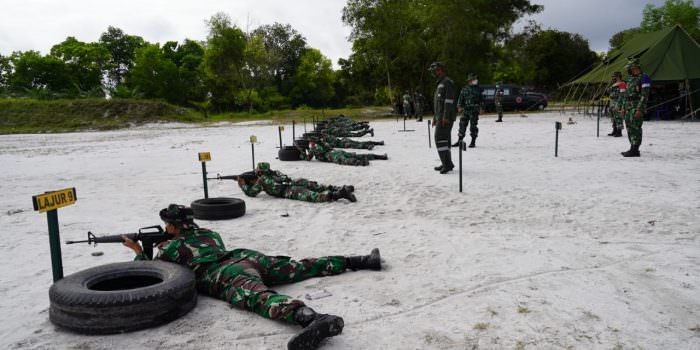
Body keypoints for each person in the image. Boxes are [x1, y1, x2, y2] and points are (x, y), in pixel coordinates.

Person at [122, 204, 382, 350]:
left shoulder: (168, 248)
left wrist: (138, 251)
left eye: (168, 225)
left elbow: (156, 275)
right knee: (301, 266)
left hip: (224, 273)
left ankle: (312, 318)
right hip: (248, 258)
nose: (165, 228)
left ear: (173, 226)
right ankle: (360, 260)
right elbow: (195, 243)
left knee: (259, 297)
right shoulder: (210, 233)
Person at [237, 162, 356, 202]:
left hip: (289, 191)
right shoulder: (275, 172)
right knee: (316, 186)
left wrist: (242, 184)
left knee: (314, 196)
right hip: (295, 181)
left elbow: (251, 193)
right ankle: (338, 188)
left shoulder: (262, 180)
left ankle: (340, 194)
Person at [429, 62, 457, 174]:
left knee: (439, 139)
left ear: (439, 70)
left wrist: (445, 116)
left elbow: (448, 101)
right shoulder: (440, 83)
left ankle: (446, 164)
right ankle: (447, 163)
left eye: (434, 71)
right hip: (440, 117)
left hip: (446, 117)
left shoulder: (447, 82)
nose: (433, 73)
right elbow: (438, 103)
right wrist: (435, 117)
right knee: (445, 140)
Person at [621, 58, 651, 157]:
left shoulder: (644, 77)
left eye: (630, 68)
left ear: (635, 67)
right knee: (629, 127)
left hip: (636, 106)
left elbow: (644, 95)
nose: (629, 70)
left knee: (636, 127)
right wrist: (623, 108)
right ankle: (632, 147)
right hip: (628, 107)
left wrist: (640, 109)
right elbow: (626, 94)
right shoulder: (630, 79)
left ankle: (635, 149)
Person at [301, 139, 388, 166]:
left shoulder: (313, 149)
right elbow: (329, 147)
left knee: (346, 160)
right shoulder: (322, 144)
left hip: (331, 156)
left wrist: (302, 153)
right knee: (357, 155)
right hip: (337, 152)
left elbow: (308, 158)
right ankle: (380, 157)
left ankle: (362, 163)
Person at [454, 73, 482, 148]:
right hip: (465, 110)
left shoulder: (478, 89)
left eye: (476, 79)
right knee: (462, 125)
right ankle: (459, 140)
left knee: (473, 126)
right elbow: (460, 99)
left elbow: (482, 99)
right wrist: (459, 106)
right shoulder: (464, 89)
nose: (476, 81)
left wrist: (482, 108)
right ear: (470, 81)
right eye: (474, 79)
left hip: (474, 110)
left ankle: (473, 142)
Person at [308, 134, 384, 150]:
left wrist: (323, 143)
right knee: (359, 143)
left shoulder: (326, 139)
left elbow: (333, 145)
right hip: (343, 141)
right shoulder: (327, 137)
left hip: (343, 143)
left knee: (357, 145)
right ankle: (378, 143)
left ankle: (370, 145)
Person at [607, 71, 625, 137]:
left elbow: (622, 94)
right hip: (612, 101)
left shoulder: (622, 84)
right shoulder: (613, 84)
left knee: (618, 117)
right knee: (613, 117)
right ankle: (614, 130)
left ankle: (619, 131)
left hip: (618, 101)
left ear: (618, 77)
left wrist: (620, 104)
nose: (613, 78)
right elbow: (608, 91)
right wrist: (612, 86)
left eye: (615, 77)